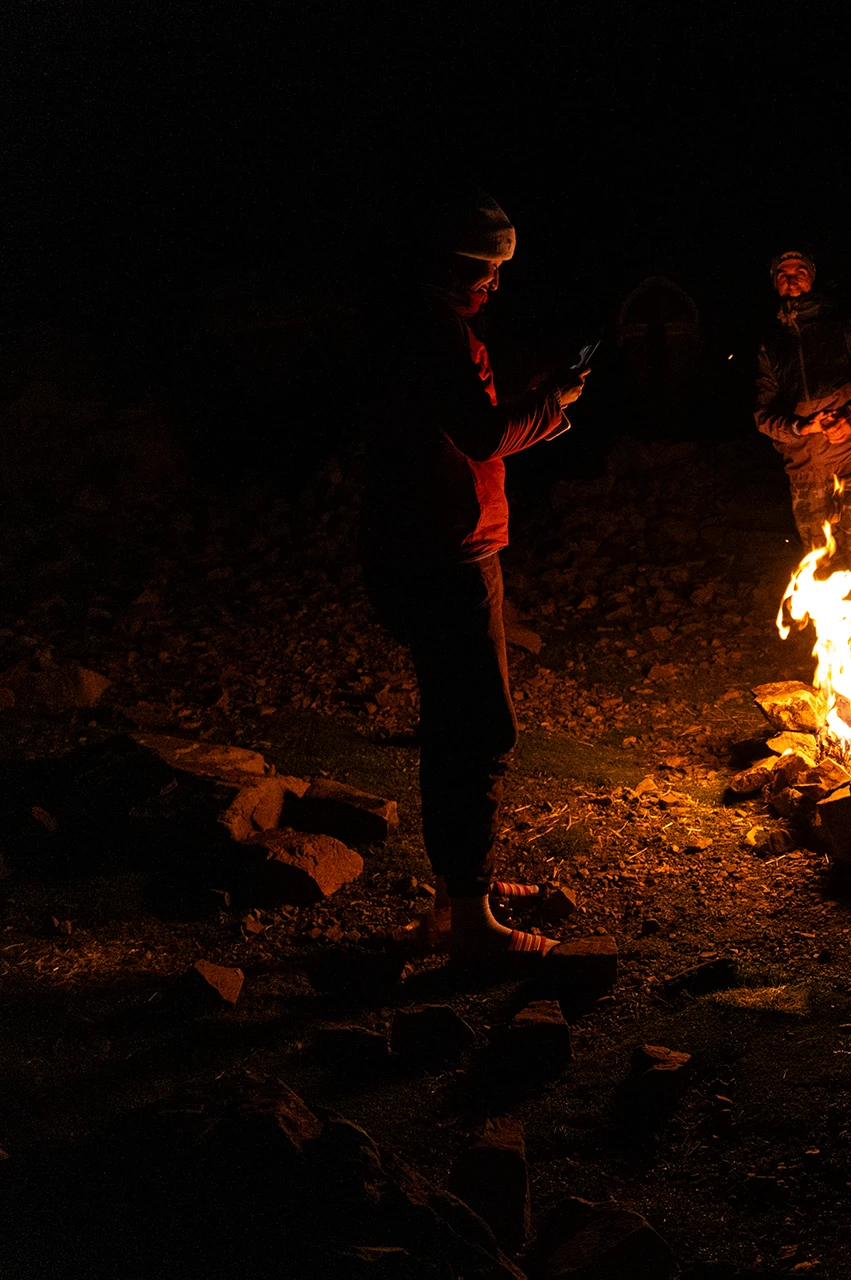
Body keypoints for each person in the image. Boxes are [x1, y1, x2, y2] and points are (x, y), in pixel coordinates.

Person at [360, 189, 588, 968]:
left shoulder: (411, 325)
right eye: (488, 271)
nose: (494, 286)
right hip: (446, 552)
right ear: (455, 264)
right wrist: (552, 405)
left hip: (425, 543)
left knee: (455, 728)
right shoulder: (432, 332)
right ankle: (471, 927)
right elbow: (483, 432)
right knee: (479, 731)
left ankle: (459, 895)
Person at [754, 250, 851, 568]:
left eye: (799, 271)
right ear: (775, 284)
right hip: (806, 472)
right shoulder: (772, 346)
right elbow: (762, 417)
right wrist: (801, 428)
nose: (791, 279)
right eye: (782, 273)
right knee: (819, 571)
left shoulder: (850, 327)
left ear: (812, 278)